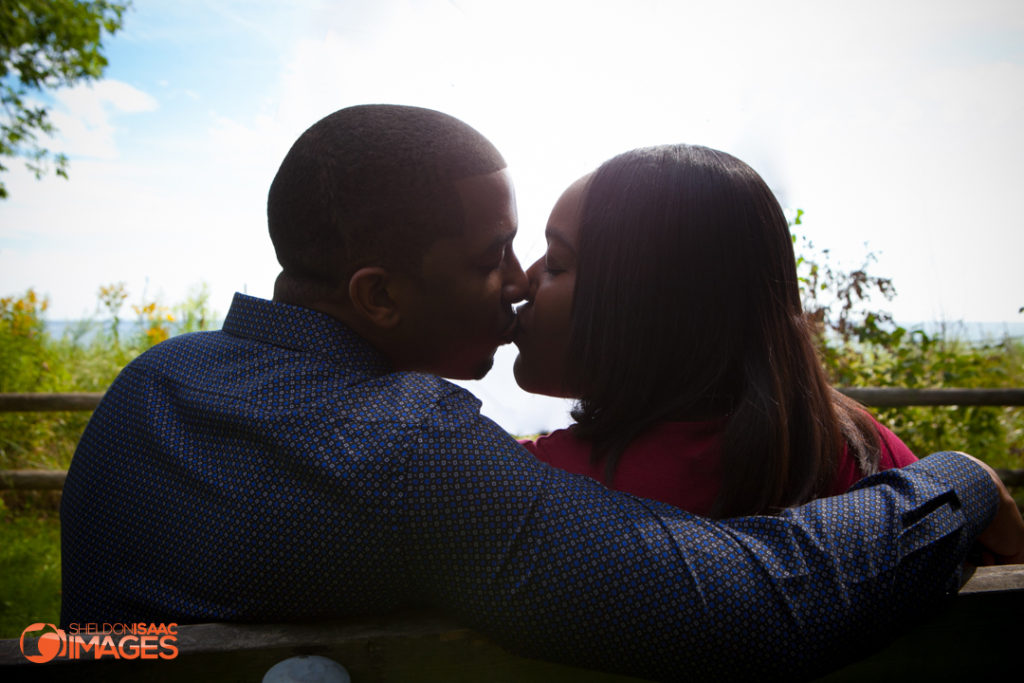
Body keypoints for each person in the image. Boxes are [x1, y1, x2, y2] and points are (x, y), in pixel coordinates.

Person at [60, 105, 1024, 682]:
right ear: (380, 295)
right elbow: (754, 605)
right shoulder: (410, 453)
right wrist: (958, 483)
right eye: (494, 259)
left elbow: (96, 641)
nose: (520, 281)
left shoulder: (147, 387)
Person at [515, 144, 916, 517]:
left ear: (642, 306)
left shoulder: (536, 486)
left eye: (555, 263)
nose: (521, 281)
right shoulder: (861, 451)